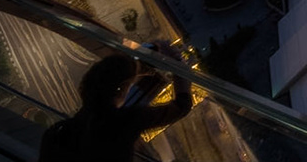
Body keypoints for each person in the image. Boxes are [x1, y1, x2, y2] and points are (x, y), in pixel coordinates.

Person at [37, 52, 193, 162]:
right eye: (129, 86)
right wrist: (178, 65)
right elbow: (182, 106)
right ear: (121, 90)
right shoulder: (128, 120)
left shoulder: (57, 132)